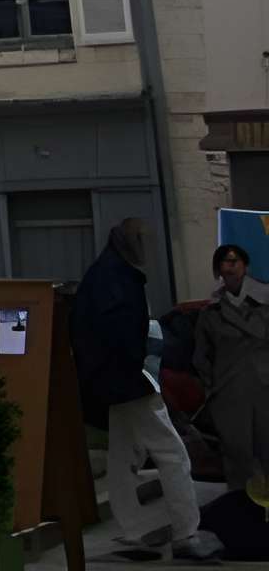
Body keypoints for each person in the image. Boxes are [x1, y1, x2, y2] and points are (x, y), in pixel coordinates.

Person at [80, 221, 220, 558]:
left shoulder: (106, 275)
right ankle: (185, 533)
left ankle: (136, 531)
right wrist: (139, 369)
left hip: (116, 381)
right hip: (131, 381)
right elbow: (123, 333)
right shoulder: (117, 278)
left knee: (123, 456)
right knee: (172, 453)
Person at [200, 245, 269, 510]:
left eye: (235, 261)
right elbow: (201, 357)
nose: (230, 266)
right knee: (238, 456)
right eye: (224, 262)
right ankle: (244, 512)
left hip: (264, 387)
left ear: (246, 266)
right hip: (229, 392)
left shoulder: (265, 303)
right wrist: (213, 390)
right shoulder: (211, 313)